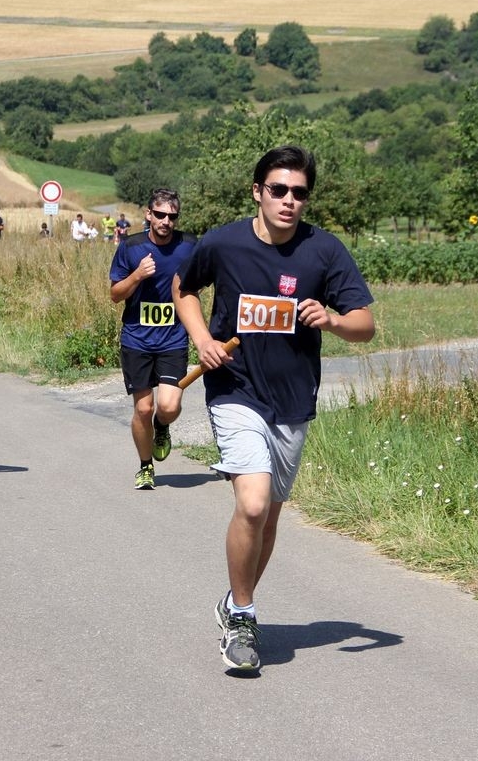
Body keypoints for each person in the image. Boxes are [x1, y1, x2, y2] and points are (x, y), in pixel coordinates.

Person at [173, 145, 376, 672]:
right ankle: (242, 617)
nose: (289, 201)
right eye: (279, 190)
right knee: (255, 502)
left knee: (269, 518)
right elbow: (185, 287)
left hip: (293, 401)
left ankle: (233, 600)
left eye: (300, 193)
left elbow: (365, 325)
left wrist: (331, 320)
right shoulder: (224, 243)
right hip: (235, 389)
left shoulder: (324, 252)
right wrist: (202, 339)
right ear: (258, 192)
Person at [109, 188, 197, 491]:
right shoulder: (131, 247)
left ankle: (162, 427)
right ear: (149, 215)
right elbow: (114, 295)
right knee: (143, 409)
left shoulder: (189, 246)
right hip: (137, 339)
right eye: (160, 215)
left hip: (173, 338)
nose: (166, 221)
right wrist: (136, 276)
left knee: (169, 407)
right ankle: (145, 467)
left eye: (172, 216)